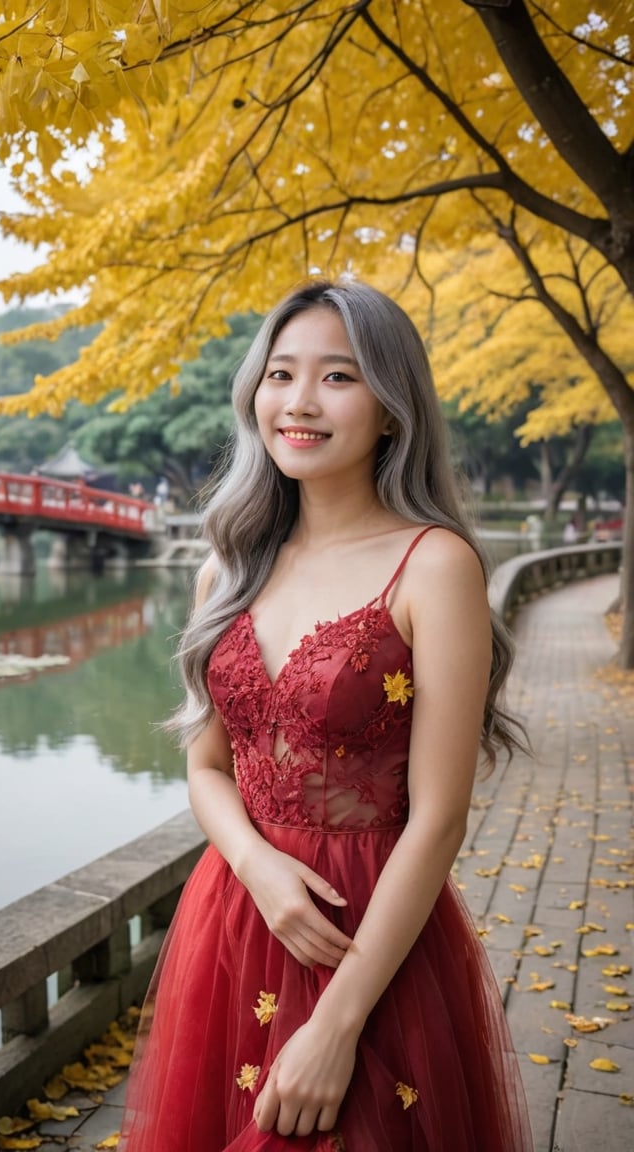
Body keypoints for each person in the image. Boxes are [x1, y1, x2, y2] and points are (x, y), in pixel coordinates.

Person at [118, 279, 533, 1151]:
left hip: (367, 937)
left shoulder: (433, 566)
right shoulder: (226, 569)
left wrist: (338, 1027)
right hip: (237, 915)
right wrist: (258, 869)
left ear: (392, 408)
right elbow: (205, 769)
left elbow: (439, 818)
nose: (299, 403)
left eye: (338, 377)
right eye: (280, 374)